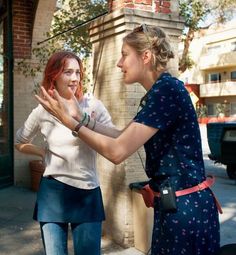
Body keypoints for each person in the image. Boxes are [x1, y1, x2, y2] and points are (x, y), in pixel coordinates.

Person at [36, 25, 221, 255]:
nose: (119, 63)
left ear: (145, 57)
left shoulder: (167, 90)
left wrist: (70, 122)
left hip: (186, 212)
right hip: (173, 207)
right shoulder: (159, 91)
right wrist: (81, 118)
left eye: (124, 55)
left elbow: (117, 151)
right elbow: (124, 136)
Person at [15, 51, 117, 255]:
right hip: (52, 193)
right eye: (67, 72)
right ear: (54, 75)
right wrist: (43, 152)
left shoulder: (92, 106)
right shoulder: (43, 110)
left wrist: (90, 123)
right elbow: (20, 141)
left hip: (87, 192)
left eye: (78, 72)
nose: (74, 78)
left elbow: (116, 138)